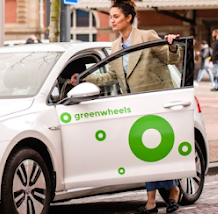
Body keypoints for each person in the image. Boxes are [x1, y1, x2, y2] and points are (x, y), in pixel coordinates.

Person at [70, 0, 181, 213]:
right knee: (145, 151)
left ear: (128, 17)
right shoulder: (114, 47)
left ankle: (173, 190)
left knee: (162, 150)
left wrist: (171, 43)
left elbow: (170, 59)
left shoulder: (147, 37)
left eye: (116, 17)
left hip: (157, 102)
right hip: (135, 106)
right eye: (110, 17)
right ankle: (151, 201)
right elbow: (112, 76)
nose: (112, 20)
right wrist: (86, 80)